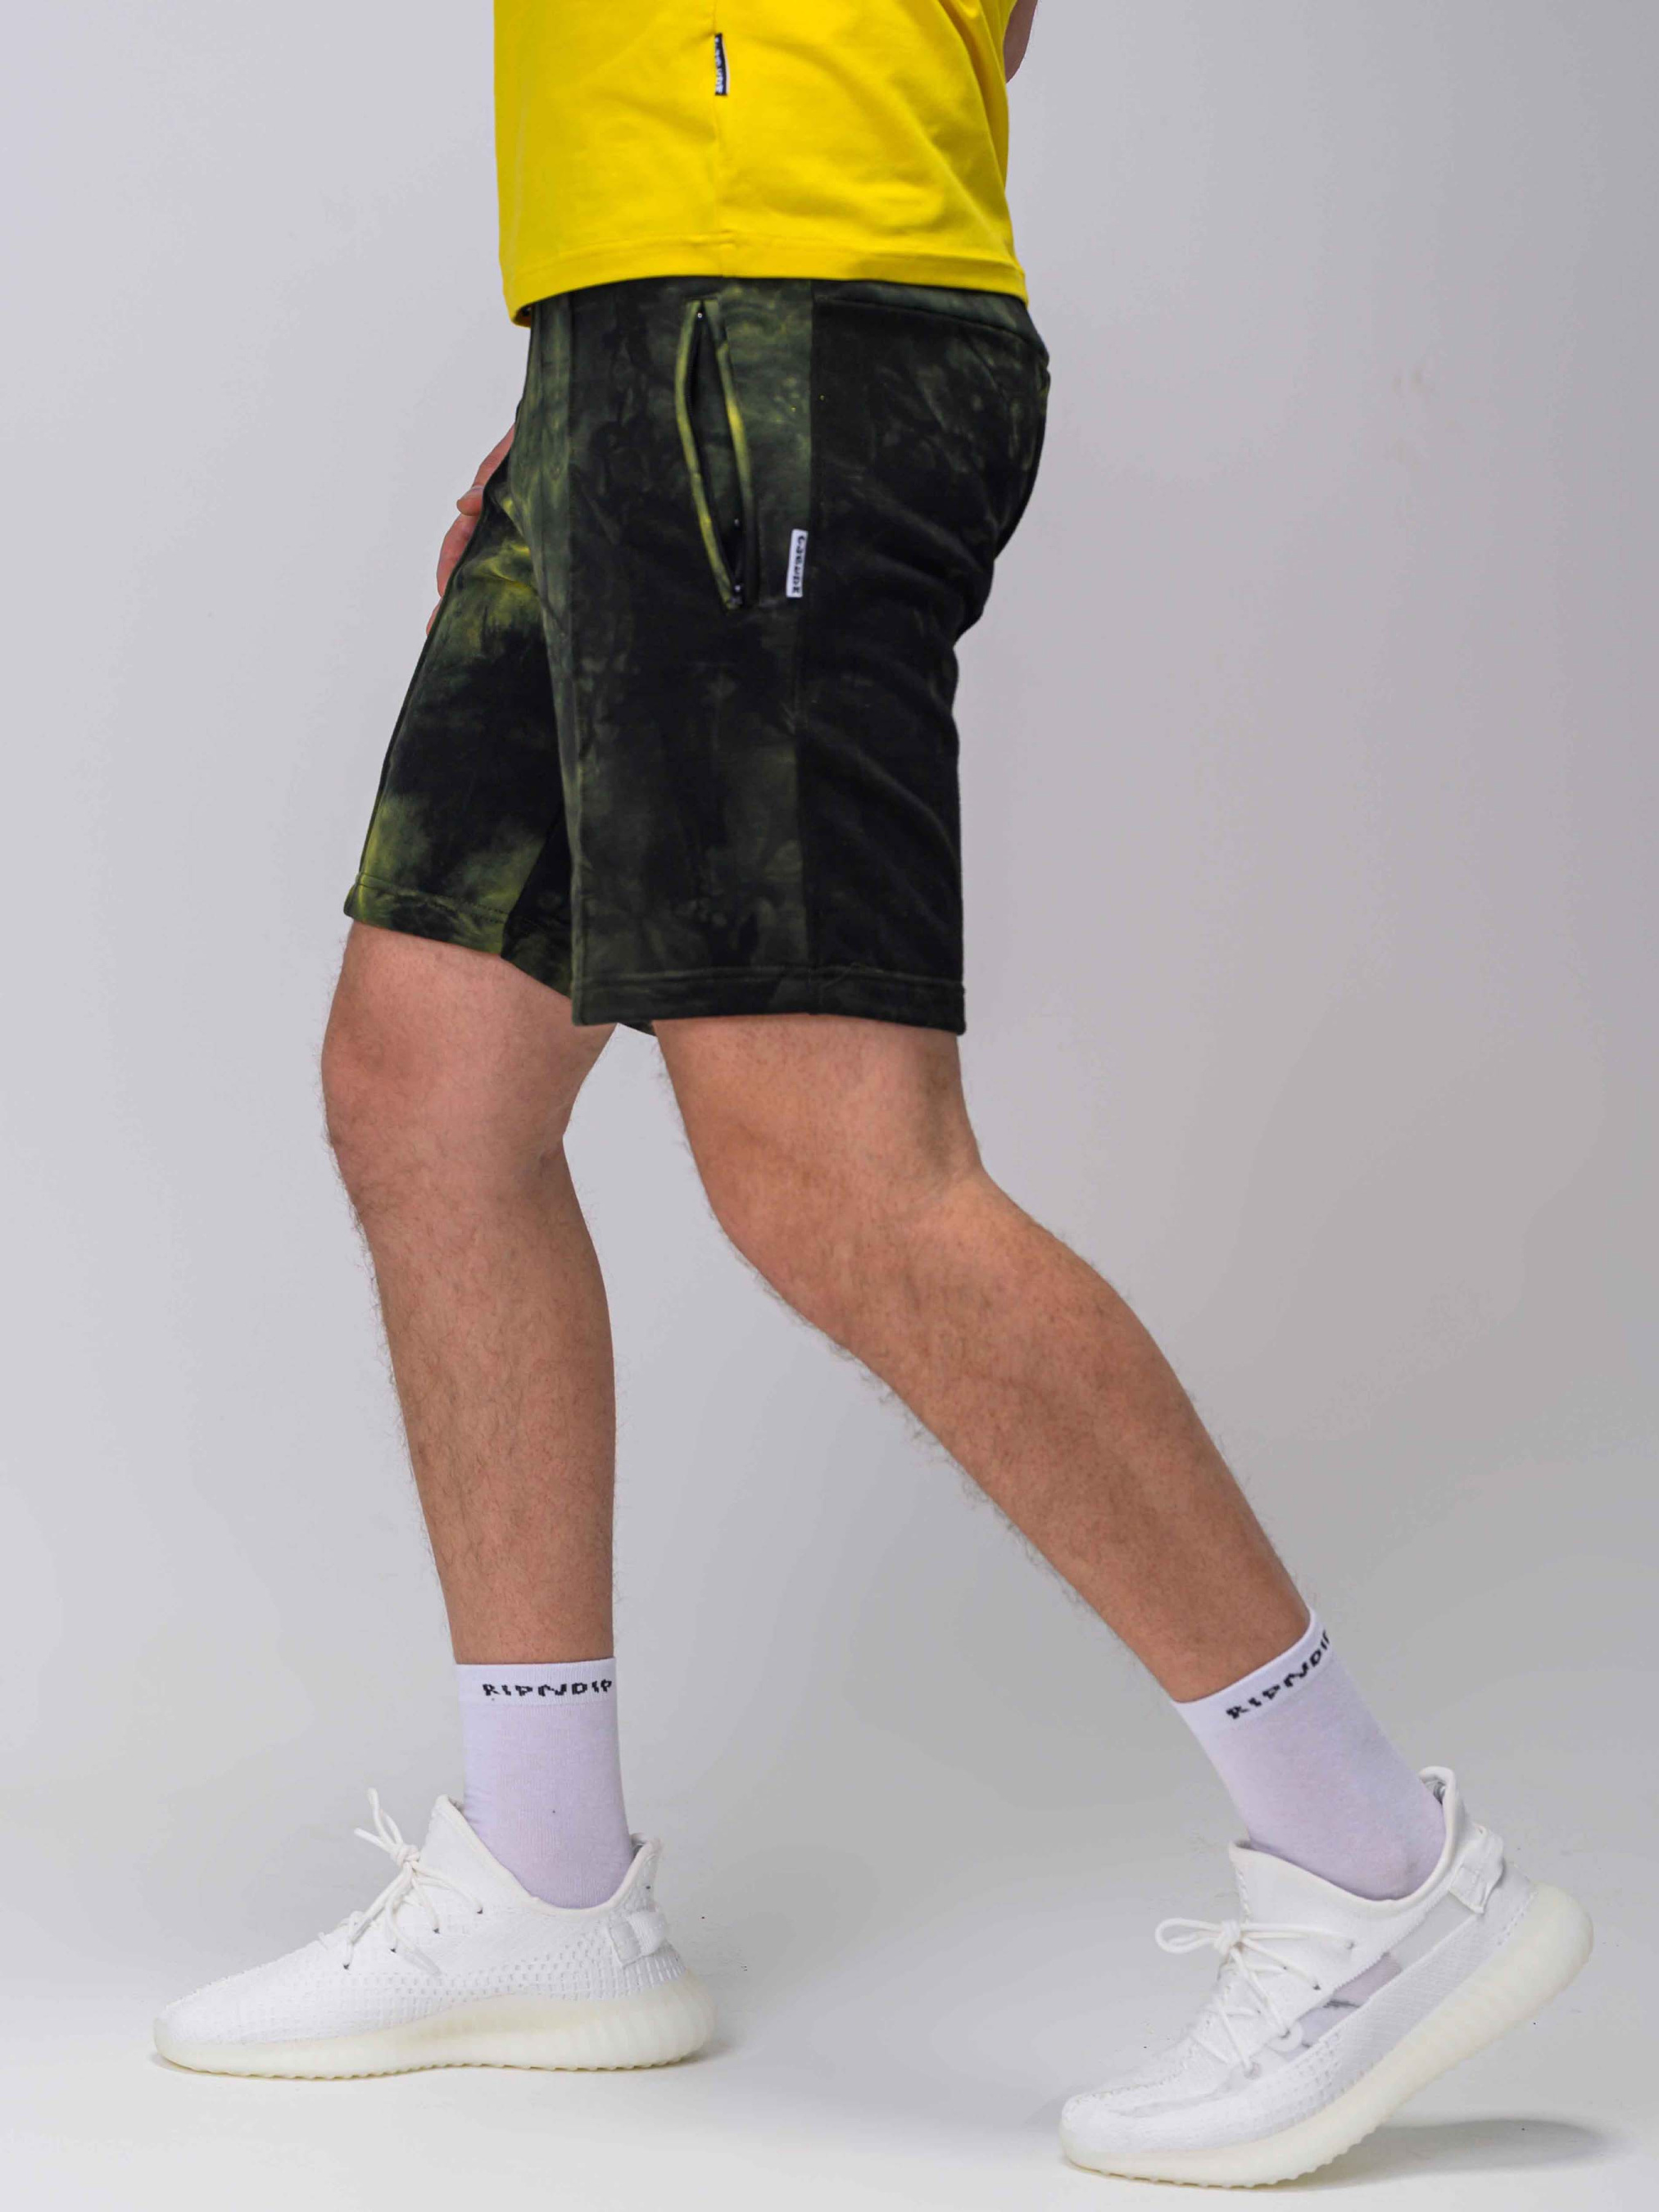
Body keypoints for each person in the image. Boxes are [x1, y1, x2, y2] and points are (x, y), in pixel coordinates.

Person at [154, 2, 1590, 2183]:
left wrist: (712, 305)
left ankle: (1377, 1866)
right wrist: (604, 380)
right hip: (652, 320)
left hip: (768, 320)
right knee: (428, 1077)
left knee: (838, 1176)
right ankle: (547, 1881)